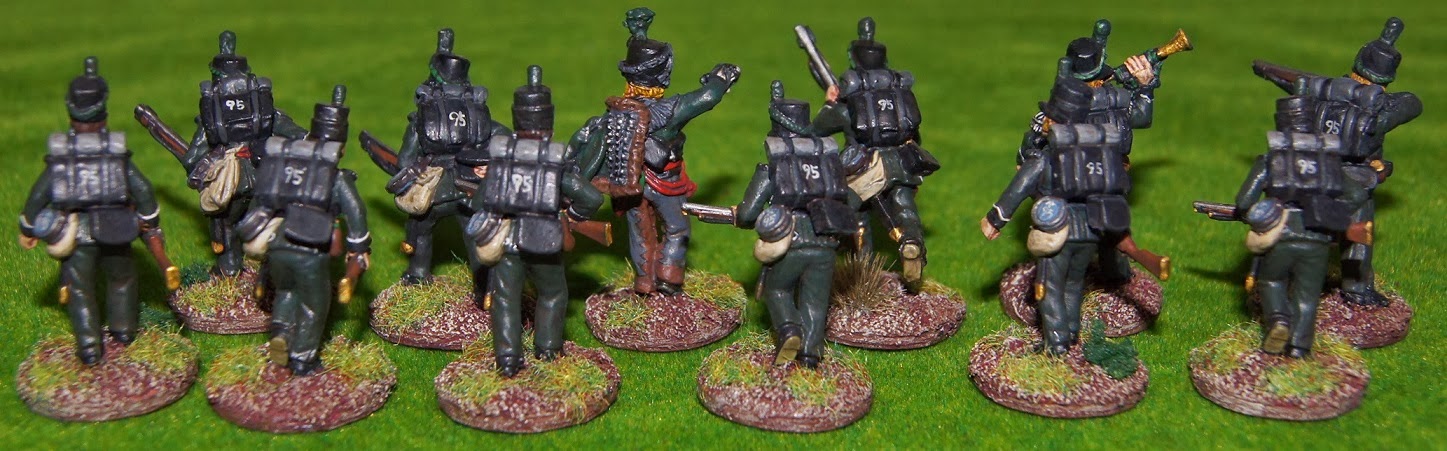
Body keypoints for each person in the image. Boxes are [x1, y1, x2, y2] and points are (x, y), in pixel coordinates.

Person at [573, 7, 741, 295]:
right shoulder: (669, 110)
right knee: (677, 229)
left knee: (641, 232)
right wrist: (722, 77)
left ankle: (644, 281)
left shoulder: (618, 110)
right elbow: (708, 97)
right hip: (664, 183)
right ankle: (668, 279)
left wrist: (639, 34)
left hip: (631, 183)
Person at [462, 66, 603, 377]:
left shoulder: (501, 159)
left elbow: (477, 202)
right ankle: (548, 350)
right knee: (552, 294)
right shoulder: (555, 162)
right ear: (548, 125)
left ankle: (508, 358)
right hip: (544, 240)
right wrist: (572, 217)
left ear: (517, 122)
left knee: (505, 300)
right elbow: (592, 198)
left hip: (507, 242)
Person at [980, 61, 1129, 355]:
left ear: (1053, 119)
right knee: (1074, 284)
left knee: (1048, 288)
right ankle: (1071, 333)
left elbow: (1019, 188)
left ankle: (1057, 344)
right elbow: (1121, 184)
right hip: (1092, 229)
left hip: (1056, 232)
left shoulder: (1044, 157)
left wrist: (994, 219)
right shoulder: (1100, 151)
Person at [20, 58, 162, 365]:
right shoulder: (115, 151)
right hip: (117, 229)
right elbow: (143, 189)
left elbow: (38, 195)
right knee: (122, 280)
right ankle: (124, 331)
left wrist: (28, 227)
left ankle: (88, 346)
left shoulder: (62, 155)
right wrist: (150, 221)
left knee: (80, 289)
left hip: (76, 235)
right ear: (103, 114)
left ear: (71, 112)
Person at [238, 86, 369, 375]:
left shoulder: (284, 162)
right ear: (340, 147)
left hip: (278, 245)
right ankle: (303, 358)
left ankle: (281, 333)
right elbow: (356, 213)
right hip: (310, 252)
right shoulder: (336, 177)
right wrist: (359, 248)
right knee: (314, 304)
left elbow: (261, 201)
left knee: (286, 291)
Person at [732, 81, 856, 368]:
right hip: (826, 243)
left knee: (777, 290)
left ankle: (789, 330)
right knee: (816, 302)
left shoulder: (772, 168)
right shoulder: (829, 163)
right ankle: (811, 356)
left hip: (790, 244)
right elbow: (847, 199)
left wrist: (742, 215)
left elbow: (748, 214)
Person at [808, 17, 937, 290]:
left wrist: (829, 103)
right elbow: (914, 133)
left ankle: (862, 270)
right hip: (902, 161)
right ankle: (911, 243)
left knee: (858, 217)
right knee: (905, 208)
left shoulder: (848, 103)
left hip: (863, 167)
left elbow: (816, 130)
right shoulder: (899, 94)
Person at [1233, 95, 1367, 357]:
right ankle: (1299, 348)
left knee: (1271, 281)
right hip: (1318, 239)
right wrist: (1330, 214)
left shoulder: (1270, 160)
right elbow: (1357, 195)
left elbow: (1244, 201)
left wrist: (1261, 216)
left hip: (1280, 235)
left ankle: (1279, 320)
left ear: (1281, 124)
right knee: (1307, 296)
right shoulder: (1330, 162)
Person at [387, 28, 510, 286]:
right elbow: (502, 135)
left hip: (435, 190)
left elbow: (405, 159)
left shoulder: (423, 116)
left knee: (420, 228)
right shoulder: (476, 109)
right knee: (473, 234)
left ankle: (418, 273)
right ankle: (484, 284)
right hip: (470, 186)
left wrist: (410, 176)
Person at [182, 30, 308, 277]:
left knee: (224, 223)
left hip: (232, 183)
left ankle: (230, 267)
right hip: (265, 175)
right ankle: (271, 266)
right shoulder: (261, 106)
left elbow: (192, 157)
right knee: (266, 219)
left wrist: (202, 169)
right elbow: (296, 133)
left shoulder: (213, 113)